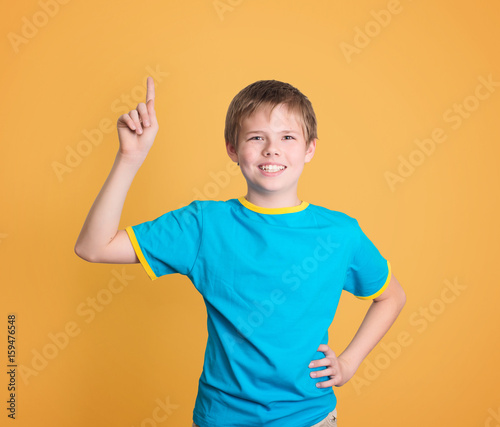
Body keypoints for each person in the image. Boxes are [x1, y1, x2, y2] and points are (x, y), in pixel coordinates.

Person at [75, 76, 406, 427]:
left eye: (287, 137)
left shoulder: (340, 233)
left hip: (309, 417)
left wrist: (349, 363)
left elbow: (392, 297)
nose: (272, 149)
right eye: (256, 137)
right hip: (222, 418)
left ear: (309, 149)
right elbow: (93, 247)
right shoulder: (203, 225)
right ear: (232, 149)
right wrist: (130, 157)